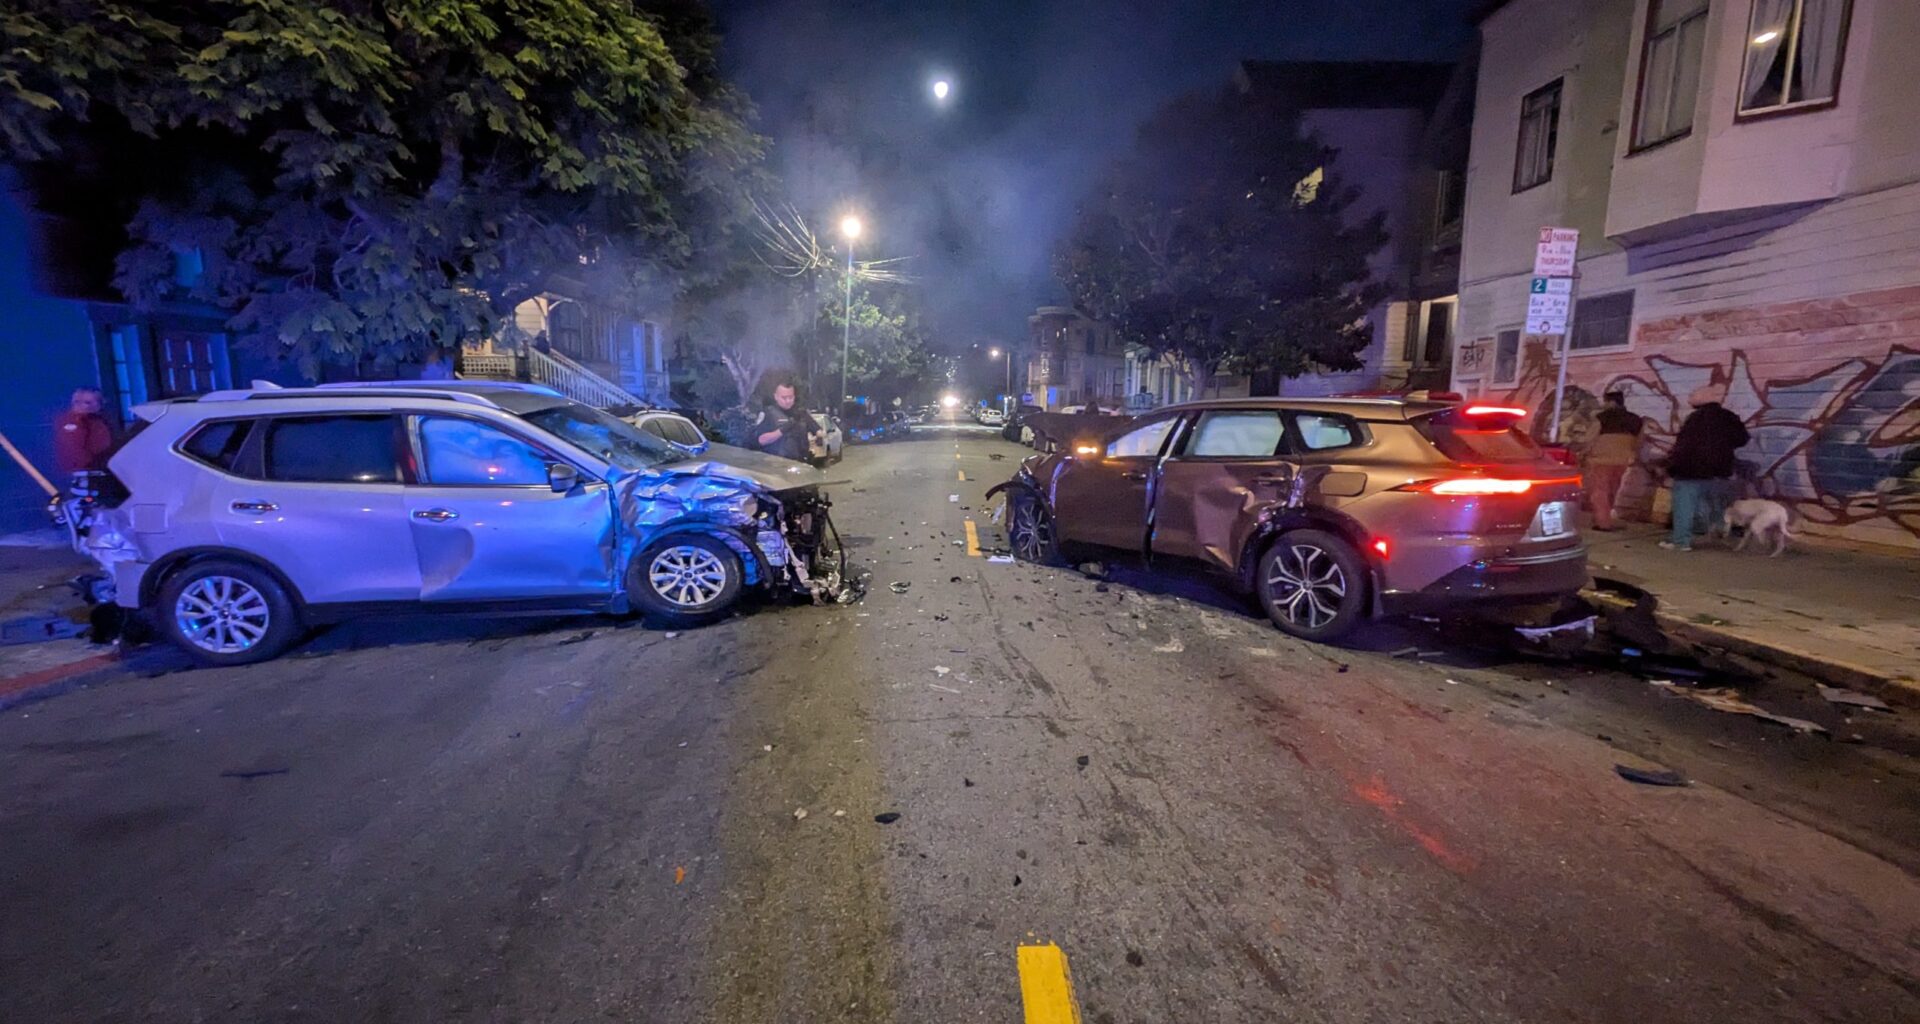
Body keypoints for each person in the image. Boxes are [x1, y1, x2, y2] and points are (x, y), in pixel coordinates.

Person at [1660, 384, 1749, 551]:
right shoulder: (1729, 417)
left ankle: (1681, 541)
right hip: (1720, 471)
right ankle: (1716, 538)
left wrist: (1672, 467)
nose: (1690, 399)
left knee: (1684, 507)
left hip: (1690, 471)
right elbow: (1742, 439)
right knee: (1716, 507)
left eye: (1693, 396)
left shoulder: (1695, 418)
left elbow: (1683, 447)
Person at [1585, 390, 1643, 531]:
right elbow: (1639, 442)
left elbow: (1590, 438)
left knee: (1599, 492)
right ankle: (1604, 517)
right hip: (1622, 460)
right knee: (1612, 490)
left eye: (1605, 402)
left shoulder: (1602, 418)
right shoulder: (1636, 420)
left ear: (1611, 402)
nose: (1604, 405)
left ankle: (1603, 522)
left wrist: (1583, 453)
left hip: (1601, 460)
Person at [53, 387, 115, 481]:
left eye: (87, 402)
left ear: (101, 404)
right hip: (85, 472)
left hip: (101, 469)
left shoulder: (100, 420)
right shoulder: (72, 421)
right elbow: (73, 449)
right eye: (76, 402)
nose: (80, 406)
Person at [753, 379, 820, 462]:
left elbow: (818, 430)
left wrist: (820, 437)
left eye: (790, 397)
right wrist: (782, 430)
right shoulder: (768, 414)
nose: (788, 401)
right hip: (775, 464)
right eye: (784, 398)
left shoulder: (801, 413)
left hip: (799, 463)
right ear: (776, 397)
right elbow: (761, 440)